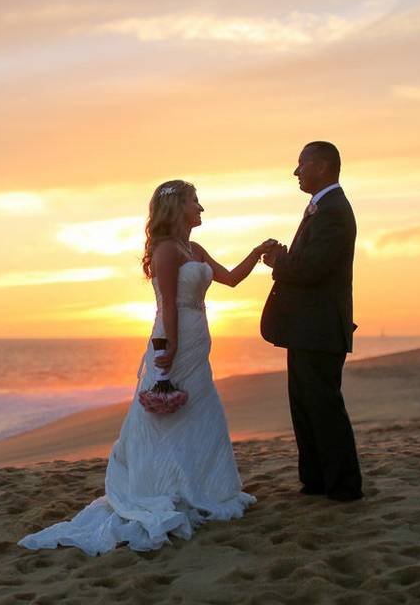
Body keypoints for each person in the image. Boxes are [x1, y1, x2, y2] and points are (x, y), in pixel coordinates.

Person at [17, 180, 273, 555]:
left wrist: (257, 252)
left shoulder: (195, 248)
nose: (201, 209)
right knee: (164, 418)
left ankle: (200, 484)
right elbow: (167, 304)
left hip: (198, 342)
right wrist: (167, 348)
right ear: (177, 209)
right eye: (195, 202)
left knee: (201, 415)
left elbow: (231, 279)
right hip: (175, 339)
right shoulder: (167, 251)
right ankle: (159, 486)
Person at [260, 141, 364, 502]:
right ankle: (317, 480)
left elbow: (312, 269)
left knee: (323, 407)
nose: (296, 172)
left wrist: (277, 263)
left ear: (321, 166)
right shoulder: (322, 207)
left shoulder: (334, 210)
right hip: (306, 329)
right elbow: (310, 261)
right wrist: (286, 256)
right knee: (305, 406)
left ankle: (343, 485)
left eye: (301, 164)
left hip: (319, 329)